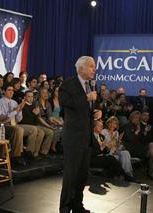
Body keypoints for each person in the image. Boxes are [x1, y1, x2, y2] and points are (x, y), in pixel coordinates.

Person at [59, 56, 101, 213]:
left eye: (94, 66)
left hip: (86, 138)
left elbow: (84, 110)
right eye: (91, 66)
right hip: (74, 138)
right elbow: (66, 104)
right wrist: (87, 98)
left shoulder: (90, 85)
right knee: (70, 176)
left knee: (82, 176)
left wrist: (95, 113)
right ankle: (64, 208)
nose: (94, 69)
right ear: (81, 68)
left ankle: (77, 206)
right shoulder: (68, 85)